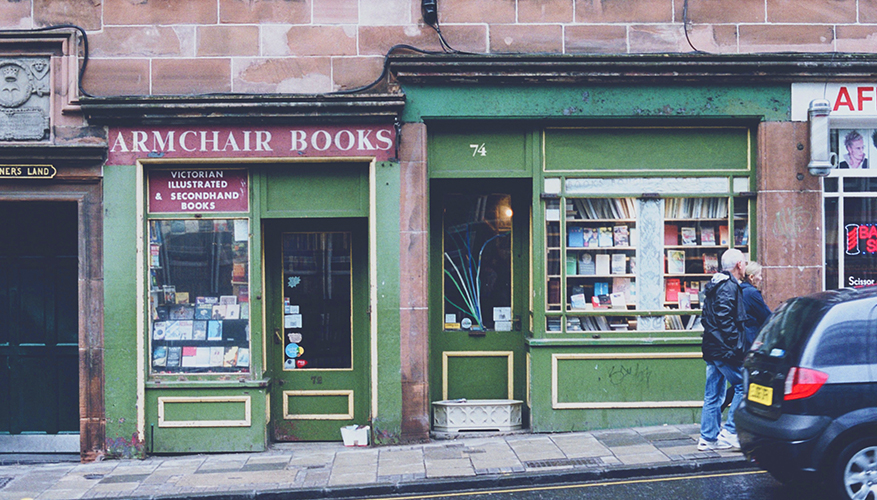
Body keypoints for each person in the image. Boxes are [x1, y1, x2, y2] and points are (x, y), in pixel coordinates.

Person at [698, 248, 747, 451]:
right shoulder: (728, 286)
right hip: (723, 349)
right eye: (744, 262)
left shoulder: (716, 284)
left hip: (713, 347)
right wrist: (736, 344)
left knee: (713, 394)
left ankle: (708, 438)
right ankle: (730, 431)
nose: (745, 265)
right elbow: (724, 317)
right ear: (738, 265)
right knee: (744, 385)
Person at [720, 261, 772, 412]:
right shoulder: (752, 293)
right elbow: (767, 317)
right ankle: (737, 418)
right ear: (751, 277)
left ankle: (722, 408)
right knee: (747, 382)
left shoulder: (738, 290)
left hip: (739, 342)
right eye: (759, 275)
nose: (761, 279)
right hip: (751, 343)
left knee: (743, 382)